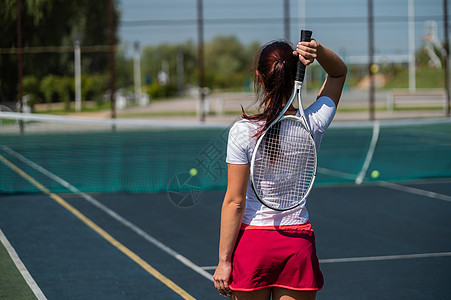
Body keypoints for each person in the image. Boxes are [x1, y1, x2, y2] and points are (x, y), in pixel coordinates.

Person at [213, 37, 347, 300]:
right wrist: (317, 51)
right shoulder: (315, 122)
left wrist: (224, 261)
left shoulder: (243, 131)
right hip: (297, 243)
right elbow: (339, 72)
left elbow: (235, 202)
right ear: (297, 76)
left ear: (259, 78)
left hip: (253, 244)